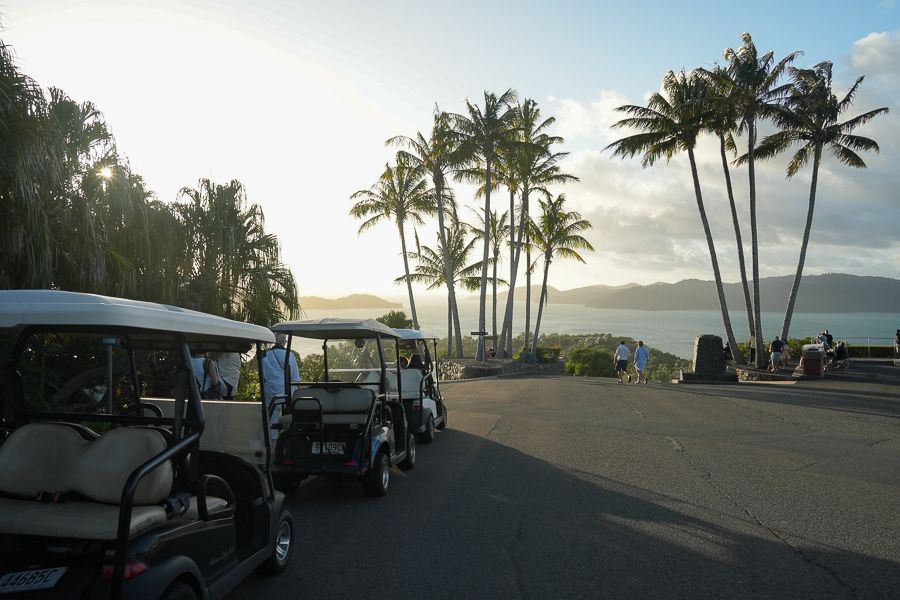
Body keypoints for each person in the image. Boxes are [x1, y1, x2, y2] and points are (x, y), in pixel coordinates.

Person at [262, 333, 301, 440]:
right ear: (284, 342)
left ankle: (273, 442)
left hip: (270, 392)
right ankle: (287, 439)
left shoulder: (266, 355)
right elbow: (295, 377)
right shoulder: (289, 355)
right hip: (287, 392)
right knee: (288, 417)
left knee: (272, 419)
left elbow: (263, 375)